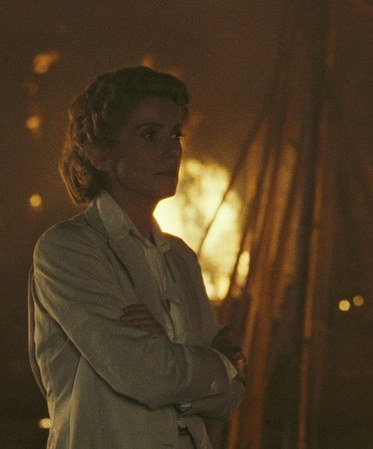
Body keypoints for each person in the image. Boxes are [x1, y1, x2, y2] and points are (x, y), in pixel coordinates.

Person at [28, 66, 246, 449]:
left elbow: (231, 396)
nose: (172, 149)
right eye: (149, 134)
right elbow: (146, 374)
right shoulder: (68, 249)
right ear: (100, 155)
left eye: (175, 134)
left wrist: (170, 352)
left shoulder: (181, 258)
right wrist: (218, 363)